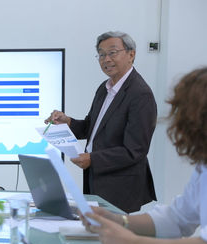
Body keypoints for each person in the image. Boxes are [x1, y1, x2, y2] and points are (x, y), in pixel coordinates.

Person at [80, 67, 207, 244]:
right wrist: (119, 221)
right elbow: (177, 218)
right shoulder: (203, 168)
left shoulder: (140, 93)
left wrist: (131, 243)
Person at [45, 31, 157, 213]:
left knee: (111, 238)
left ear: (131, 54)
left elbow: (135, 150)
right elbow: (91, 128)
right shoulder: (104, 88)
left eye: (112, 52)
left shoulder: (140, 94)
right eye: (101, 54)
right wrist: (68, 122)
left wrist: (92, 159)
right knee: (95, 236)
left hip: (120, 186)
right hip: (96, 178)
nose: (106, 59)